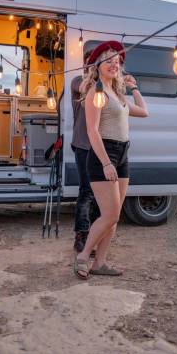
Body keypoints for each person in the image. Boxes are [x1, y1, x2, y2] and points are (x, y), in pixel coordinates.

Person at [73, 40, 149, 279]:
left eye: (117, 62)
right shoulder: (96, 92)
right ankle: (83, 257)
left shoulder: (117, 95)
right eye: (108, 60)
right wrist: (106, 162)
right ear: (97, 64)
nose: (113, 65)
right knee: (110, 214)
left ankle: (100, 263)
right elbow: (92, 131)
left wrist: (134, 87)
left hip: (123, 153)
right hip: (104, 154)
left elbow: (144, 112)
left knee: (113, 217)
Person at [70, 49, 101, 253]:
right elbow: (84, 87)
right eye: (91, 62)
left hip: (101, 145)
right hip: (83, 144)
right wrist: (93, 72)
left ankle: (96, 234)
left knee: (100, 193)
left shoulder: (104, 84)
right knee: (86, 190)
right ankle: (81, 236)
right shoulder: (78, 81)